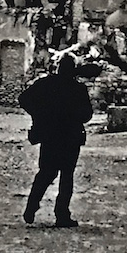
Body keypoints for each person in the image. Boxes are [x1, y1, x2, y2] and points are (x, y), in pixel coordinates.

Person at [19, 55, 93, 228]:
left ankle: (31, 206)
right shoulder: (78, 88)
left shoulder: (46, 84)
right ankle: (62, 214)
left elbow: (24, 99)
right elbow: (87, 115)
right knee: (66, 176)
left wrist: (39, 115)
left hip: (50, 135)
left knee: (46, 173)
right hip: (70, 136)